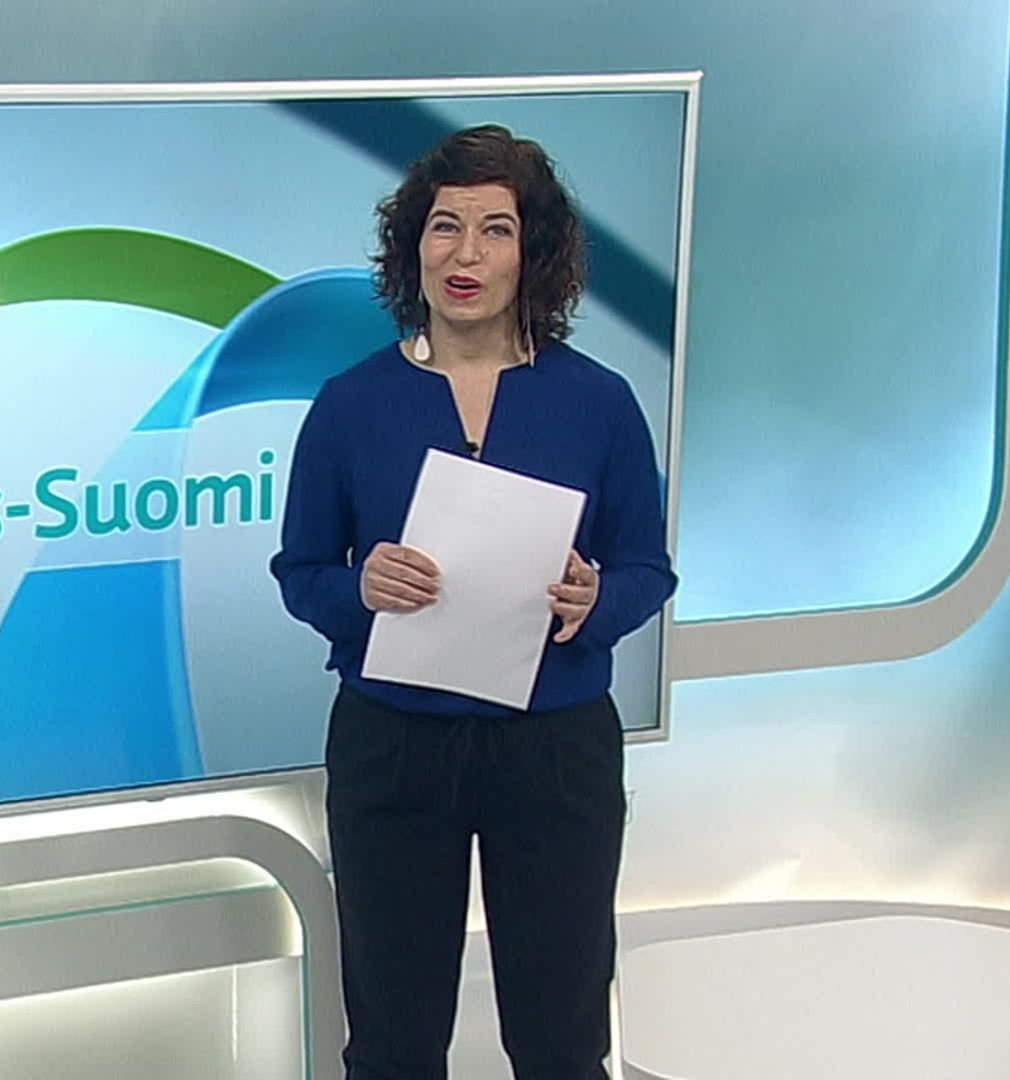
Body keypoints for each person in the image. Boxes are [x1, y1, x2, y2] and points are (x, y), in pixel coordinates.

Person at [269, 124, 677, 1080]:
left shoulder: (600, 402)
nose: (466, 254)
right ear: (413, 245)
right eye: (445, 226)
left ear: (532, 253)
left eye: (496, 230)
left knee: (562, 1039)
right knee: (394, 1040)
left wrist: (597, 599)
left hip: (555, 747)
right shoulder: (350, 404)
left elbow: (647, 568)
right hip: (395, 746)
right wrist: (360, 589)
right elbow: (301, 571)